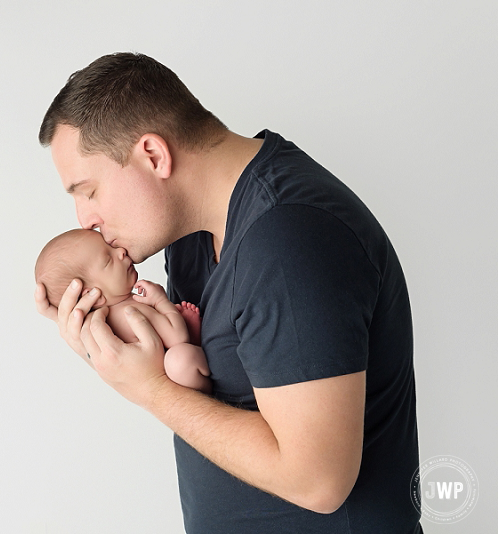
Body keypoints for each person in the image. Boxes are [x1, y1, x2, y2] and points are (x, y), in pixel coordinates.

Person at [34, 52, 421, 533]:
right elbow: (201, 387)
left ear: (153, 155)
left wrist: (148, 391)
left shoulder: (288, 240)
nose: (83, 219)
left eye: (87, 190)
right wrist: (103, 335)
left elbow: (318, 482)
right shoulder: (192, 235)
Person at [35, 228, 211, 393]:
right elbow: (177, 337)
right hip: (182, 383)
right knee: (180, 358)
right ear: (92, 295)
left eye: (112, 246)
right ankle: (209, 390)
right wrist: (160, 300)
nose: (121, 251)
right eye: (108, 259)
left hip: (160, 386)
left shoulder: (102, 324)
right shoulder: (130, 311)